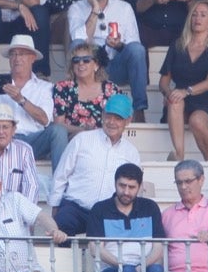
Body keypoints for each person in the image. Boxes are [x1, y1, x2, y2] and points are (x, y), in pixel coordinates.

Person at [0, 34, 67, 169]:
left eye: (22, 54)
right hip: (1, 138)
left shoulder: (44, 87)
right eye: (13, 54)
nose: (17, 59)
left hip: (31, 141)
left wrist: (21, 100)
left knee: (59, 131)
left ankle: (59, 185)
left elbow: (45, 119)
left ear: (32, 58)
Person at [68, 0, 149, 122]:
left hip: (117, 67)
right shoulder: (76, 8)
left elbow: (134, 44)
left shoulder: (124, 8)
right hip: (92, 69)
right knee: (77, 44)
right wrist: (95, 10)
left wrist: (119, 45)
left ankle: (139, 109)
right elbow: (79, 45)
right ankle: (77, 103)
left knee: (137, 50)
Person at [50, 94, 141, 235]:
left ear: (128, 121)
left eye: (118, 119)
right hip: (75, 208)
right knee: (62, 225)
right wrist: (55, 208)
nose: (111, 122)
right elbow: (61, 175)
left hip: (109, 212)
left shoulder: (131, 152)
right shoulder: (82, 140)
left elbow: (135, 186)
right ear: (103, 115)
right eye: (108, 116)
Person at [159, 0, 208, 161]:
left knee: (197, 121)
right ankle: (179, 156)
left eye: (203, 15)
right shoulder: (177, 46)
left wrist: (187, 91)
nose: (197, 18)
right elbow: (163, 81)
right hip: (179, 100)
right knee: (175, 101)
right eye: (194, 15)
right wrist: (168, 93)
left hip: (203, 99)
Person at [52, 41, 118, 136]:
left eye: (86, 60)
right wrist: (82, 130)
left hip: (103, 140)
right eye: (76, 60)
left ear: (96, 65)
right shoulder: (62, 88)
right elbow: (59, 125)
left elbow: (119, 119)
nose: (81, 63)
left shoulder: (111, 89)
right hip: (73, 141)